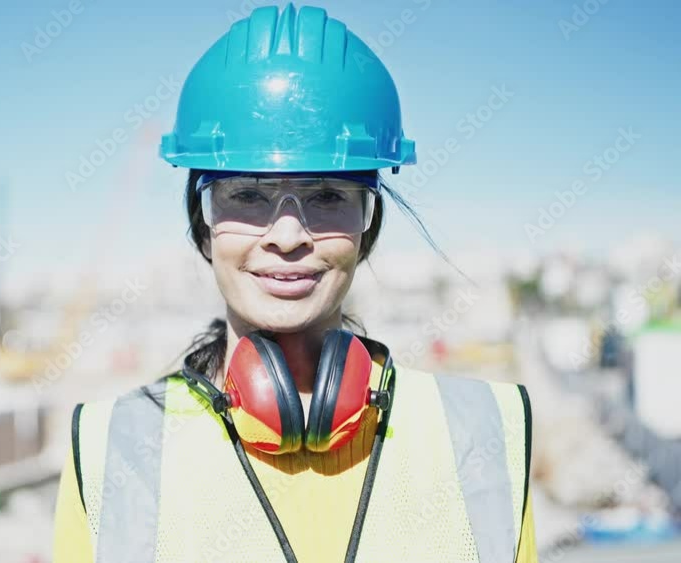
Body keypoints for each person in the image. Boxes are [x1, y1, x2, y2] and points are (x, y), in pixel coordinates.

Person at [53, 3, 537, 561]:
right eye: (248, 194)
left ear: (368, 223)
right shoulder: (111, 446)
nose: (287, 234)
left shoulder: (486, 433)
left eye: (328, 195)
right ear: (202, 222)